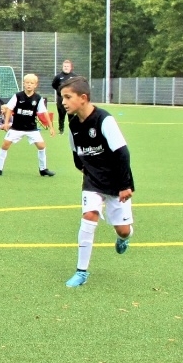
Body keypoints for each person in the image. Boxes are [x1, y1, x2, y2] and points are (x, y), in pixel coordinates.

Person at [59, 76, 134, 288]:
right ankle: (81, 272)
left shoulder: (104, 119)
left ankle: (124, 238)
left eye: (68, 97)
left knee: (123, 229)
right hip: (92, 181)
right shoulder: (73, 124)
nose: (63, 102)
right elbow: (76, 153)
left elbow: (122, 153)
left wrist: (125, 185)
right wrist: (86, 170)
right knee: (89, 215)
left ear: (83, 98)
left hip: (116, 182)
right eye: (62, 98)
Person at [0, 73, 56, 177]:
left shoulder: (38, 98)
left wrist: (51, 127)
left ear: (35, 85)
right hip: (16, 128)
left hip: (31, 128)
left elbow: (44, 112)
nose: (29, 84)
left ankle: (43, 169)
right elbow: (9, 109)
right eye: (27, 82)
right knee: (5, 145)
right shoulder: (17, 96)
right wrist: (6, 123)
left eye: (31, 83)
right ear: (23, 83)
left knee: (41, 146)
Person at [51, 60, 75, 134]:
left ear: (70, 67)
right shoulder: (58, 77)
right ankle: (61, 130)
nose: (66, 67)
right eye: (65, 66)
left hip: (71, 99)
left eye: (67, 66)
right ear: (62, 67)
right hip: (61, 99)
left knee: (71, 115)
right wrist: (60, 91)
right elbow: (54, 85)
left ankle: (72, 130)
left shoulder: (74, 76)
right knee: (61, 115)